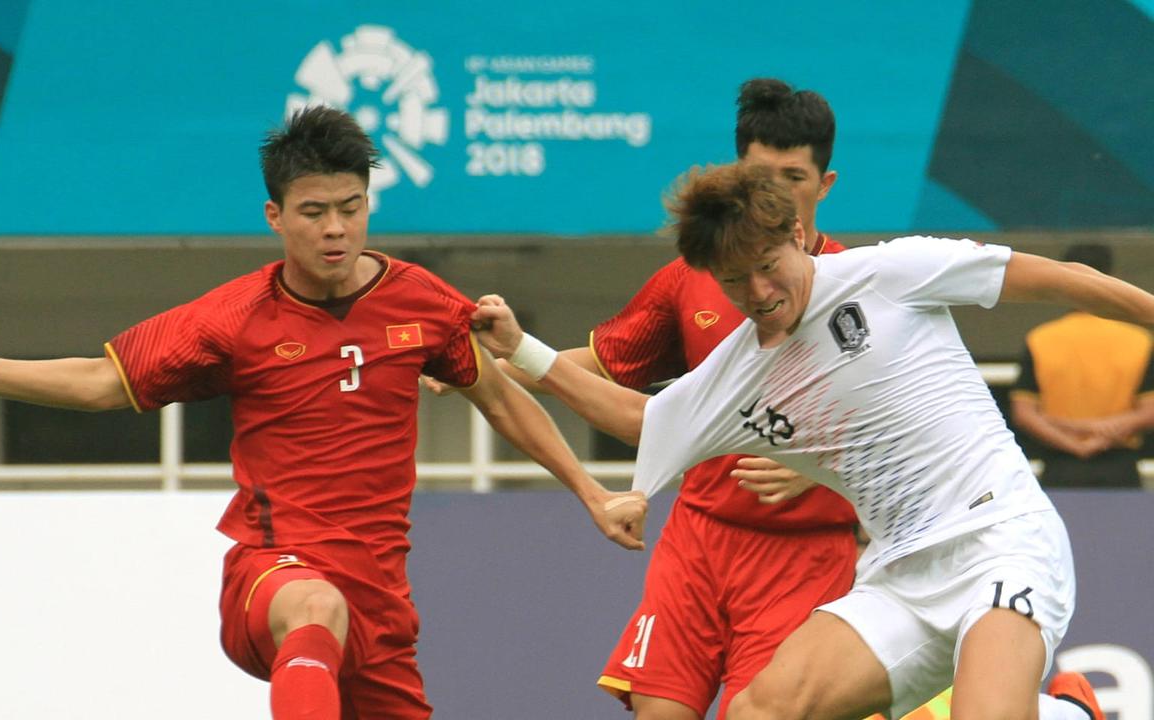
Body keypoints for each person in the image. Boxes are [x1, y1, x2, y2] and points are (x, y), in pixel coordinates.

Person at [0, 106, 645, 720]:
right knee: (316, 603)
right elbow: (101, 381)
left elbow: (503, 400)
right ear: (274, 216)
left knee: (348, 620)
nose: (336, 230)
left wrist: (591, 493)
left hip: (381, 604)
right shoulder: (233, 319)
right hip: (272, 576)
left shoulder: (422, 301)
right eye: (314, 213)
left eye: (351, 209)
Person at [471, 162, 1139, 719]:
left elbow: (1059, 280)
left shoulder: (890, 274)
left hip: (1001, 544)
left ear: (797, 233)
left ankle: (1068, 710)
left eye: (768, 266)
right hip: (900, 576)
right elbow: (639, 419)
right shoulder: (739, 373)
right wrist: (523, 353)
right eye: (735, 281)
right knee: (757, 710)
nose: (759, 293)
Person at [492, 78, 860, 720]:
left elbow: (907, 429)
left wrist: (819, 467)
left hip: (803, 558)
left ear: (825, 184)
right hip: (698, 539)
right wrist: (480, 363)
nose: (775, 195)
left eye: (794, 177)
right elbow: (601, 368)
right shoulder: (689, 279)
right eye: (759, 174)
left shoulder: (862, 291)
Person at [1010, 243, 1154, 488]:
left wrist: (1074, 442)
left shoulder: (1041, 338)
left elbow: (1024, 413)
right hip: (1119, 466)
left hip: (1060, 466)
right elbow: (1149, 411)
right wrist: (1101, 435)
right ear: (1111, 278)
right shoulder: (1140, 339)